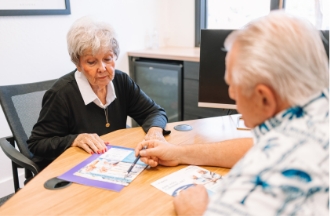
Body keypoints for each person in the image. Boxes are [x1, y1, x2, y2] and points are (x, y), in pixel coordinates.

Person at [135, 11, 329, 215]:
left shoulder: (263, 182)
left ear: (264, 98)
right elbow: (256, 145)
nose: (229, 94)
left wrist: (196, 211)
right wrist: (178, 152)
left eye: (233, 87)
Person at [27, 17, 169, 170]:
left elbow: (154, 112)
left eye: (107, 59)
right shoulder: (61, 94)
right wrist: (74, 140)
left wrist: (155, 132)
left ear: (115, 57)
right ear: (78, 64)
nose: (102, 68)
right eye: (91, 62)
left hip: (112, 164)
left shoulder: (121, 81)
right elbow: (37, 144)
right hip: (73, 169)